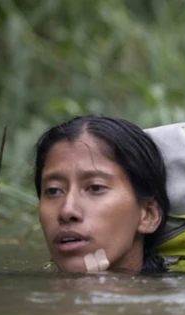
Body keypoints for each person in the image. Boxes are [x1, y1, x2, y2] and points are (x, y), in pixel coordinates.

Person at [33, 115, 170, 274]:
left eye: (95, 188)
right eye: (53, 190)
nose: (67, 211)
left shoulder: (183, 293)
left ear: (148, 215)